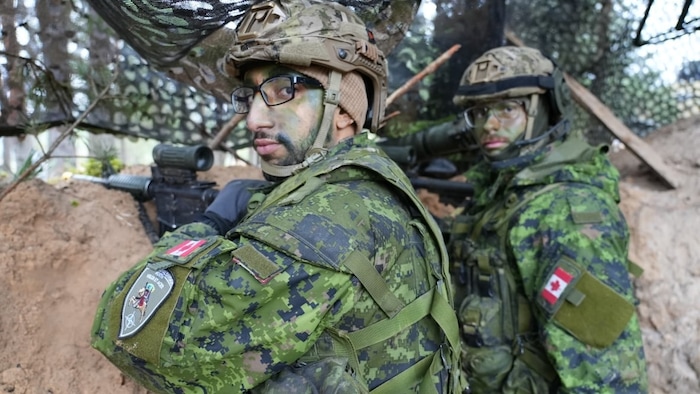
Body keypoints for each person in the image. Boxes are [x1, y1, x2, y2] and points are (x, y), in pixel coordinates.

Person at [91, 1, 464, 393]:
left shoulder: (327, 221)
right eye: (252, 94)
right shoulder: (372, 183)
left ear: (344, 107)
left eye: (283, 89)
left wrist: (207, 225)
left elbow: (128, 332)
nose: (254, 119)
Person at [446, 46, 649, 393]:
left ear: (543, 110)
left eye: (507, 109)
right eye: (479, 112)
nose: (488, 125)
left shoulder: (564, 209)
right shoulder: (504, 192)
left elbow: (605, 375)